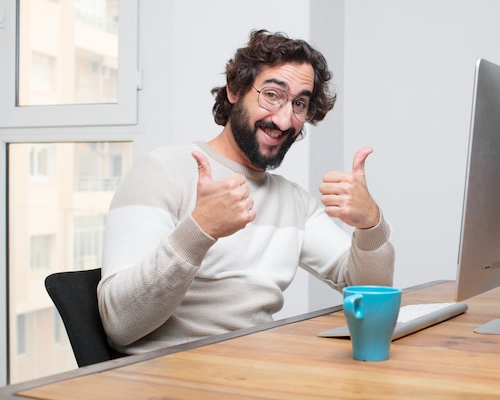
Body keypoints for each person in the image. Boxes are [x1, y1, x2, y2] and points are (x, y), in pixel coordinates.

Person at [97, 29, 395, 354]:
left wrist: (370, 225)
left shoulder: (293, 202)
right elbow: (119, 324)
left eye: (299, 104)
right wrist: (200, 230)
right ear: (235, 89)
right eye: (271, 94)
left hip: (255, 370)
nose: (284, 119)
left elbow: (369, 294)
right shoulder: (161, 171)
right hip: (170, 379)